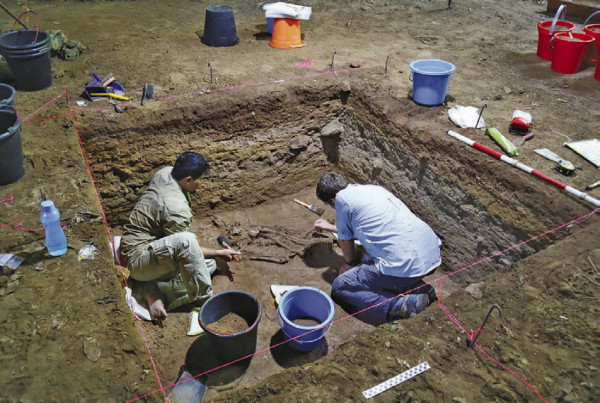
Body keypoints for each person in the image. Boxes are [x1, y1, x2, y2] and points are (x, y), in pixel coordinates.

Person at [119, 152, 240, 322]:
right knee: (188, 242)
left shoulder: (166, 172)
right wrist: (217, 252)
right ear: (188, 180)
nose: (201, 183)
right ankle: (202, 300)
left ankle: (150, 291)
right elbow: (183, 247)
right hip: (135, 259)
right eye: (200, 179)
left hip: (132, 245)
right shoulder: (177, 210)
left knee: (208, 264)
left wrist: (215, 254)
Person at [313, 172, 441, 325]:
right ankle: (418, 288)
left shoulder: (341, 200)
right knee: (370, 257)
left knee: (341, 286)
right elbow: (364, 229)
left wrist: (349, 264)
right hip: (431, 255)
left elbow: (345, 239)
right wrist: (329, 227)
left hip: (408, 264)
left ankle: (401, 306)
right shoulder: (373, 190)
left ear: (332, 200)